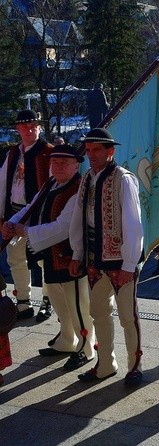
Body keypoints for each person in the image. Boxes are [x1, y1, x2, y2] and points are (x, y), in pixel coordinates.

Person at [2, 144, 95, 371]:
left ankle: (86, 346)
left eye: (64, 163)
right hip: (51, 255)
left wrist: (26, 232)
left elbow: (63, 227)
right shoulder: (51, 184)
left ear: (76, 165)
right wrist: (13, 223)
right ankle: (67, 339)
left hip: (72, 256)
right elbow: (31, 207)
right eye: (55, 162)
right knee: (58, 301)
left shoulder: (79, 190)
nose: (58, 167)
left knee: (77, 305)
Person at [68, 128, 144, 387]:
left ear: (110, 151)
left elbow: (134, 223)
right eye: (88, 150)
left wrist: (130, 263)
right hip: (93, 258)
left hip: (120, 260)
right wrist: (77, 253)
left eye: (97, 150)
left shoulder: (123, 179)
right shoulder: (87, 177)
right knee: (98, 312)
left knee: (127, 316)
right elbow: (77, 218)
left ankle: (135, 366)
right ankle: (105, 364)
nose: (91, 155)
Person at [0, 110, 53, 321]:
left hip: (40, 214)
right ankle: (23, 301)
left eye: (33, 126)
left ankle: (48, 300)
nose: (29, 130)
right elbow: (3, 184)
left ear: (39, 127)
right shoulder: (13, 153)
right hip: (14, 212)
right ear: (18, 129)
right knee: (15, 258)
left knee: (43, 259)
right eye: (24, 126)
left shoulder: (49, 152)